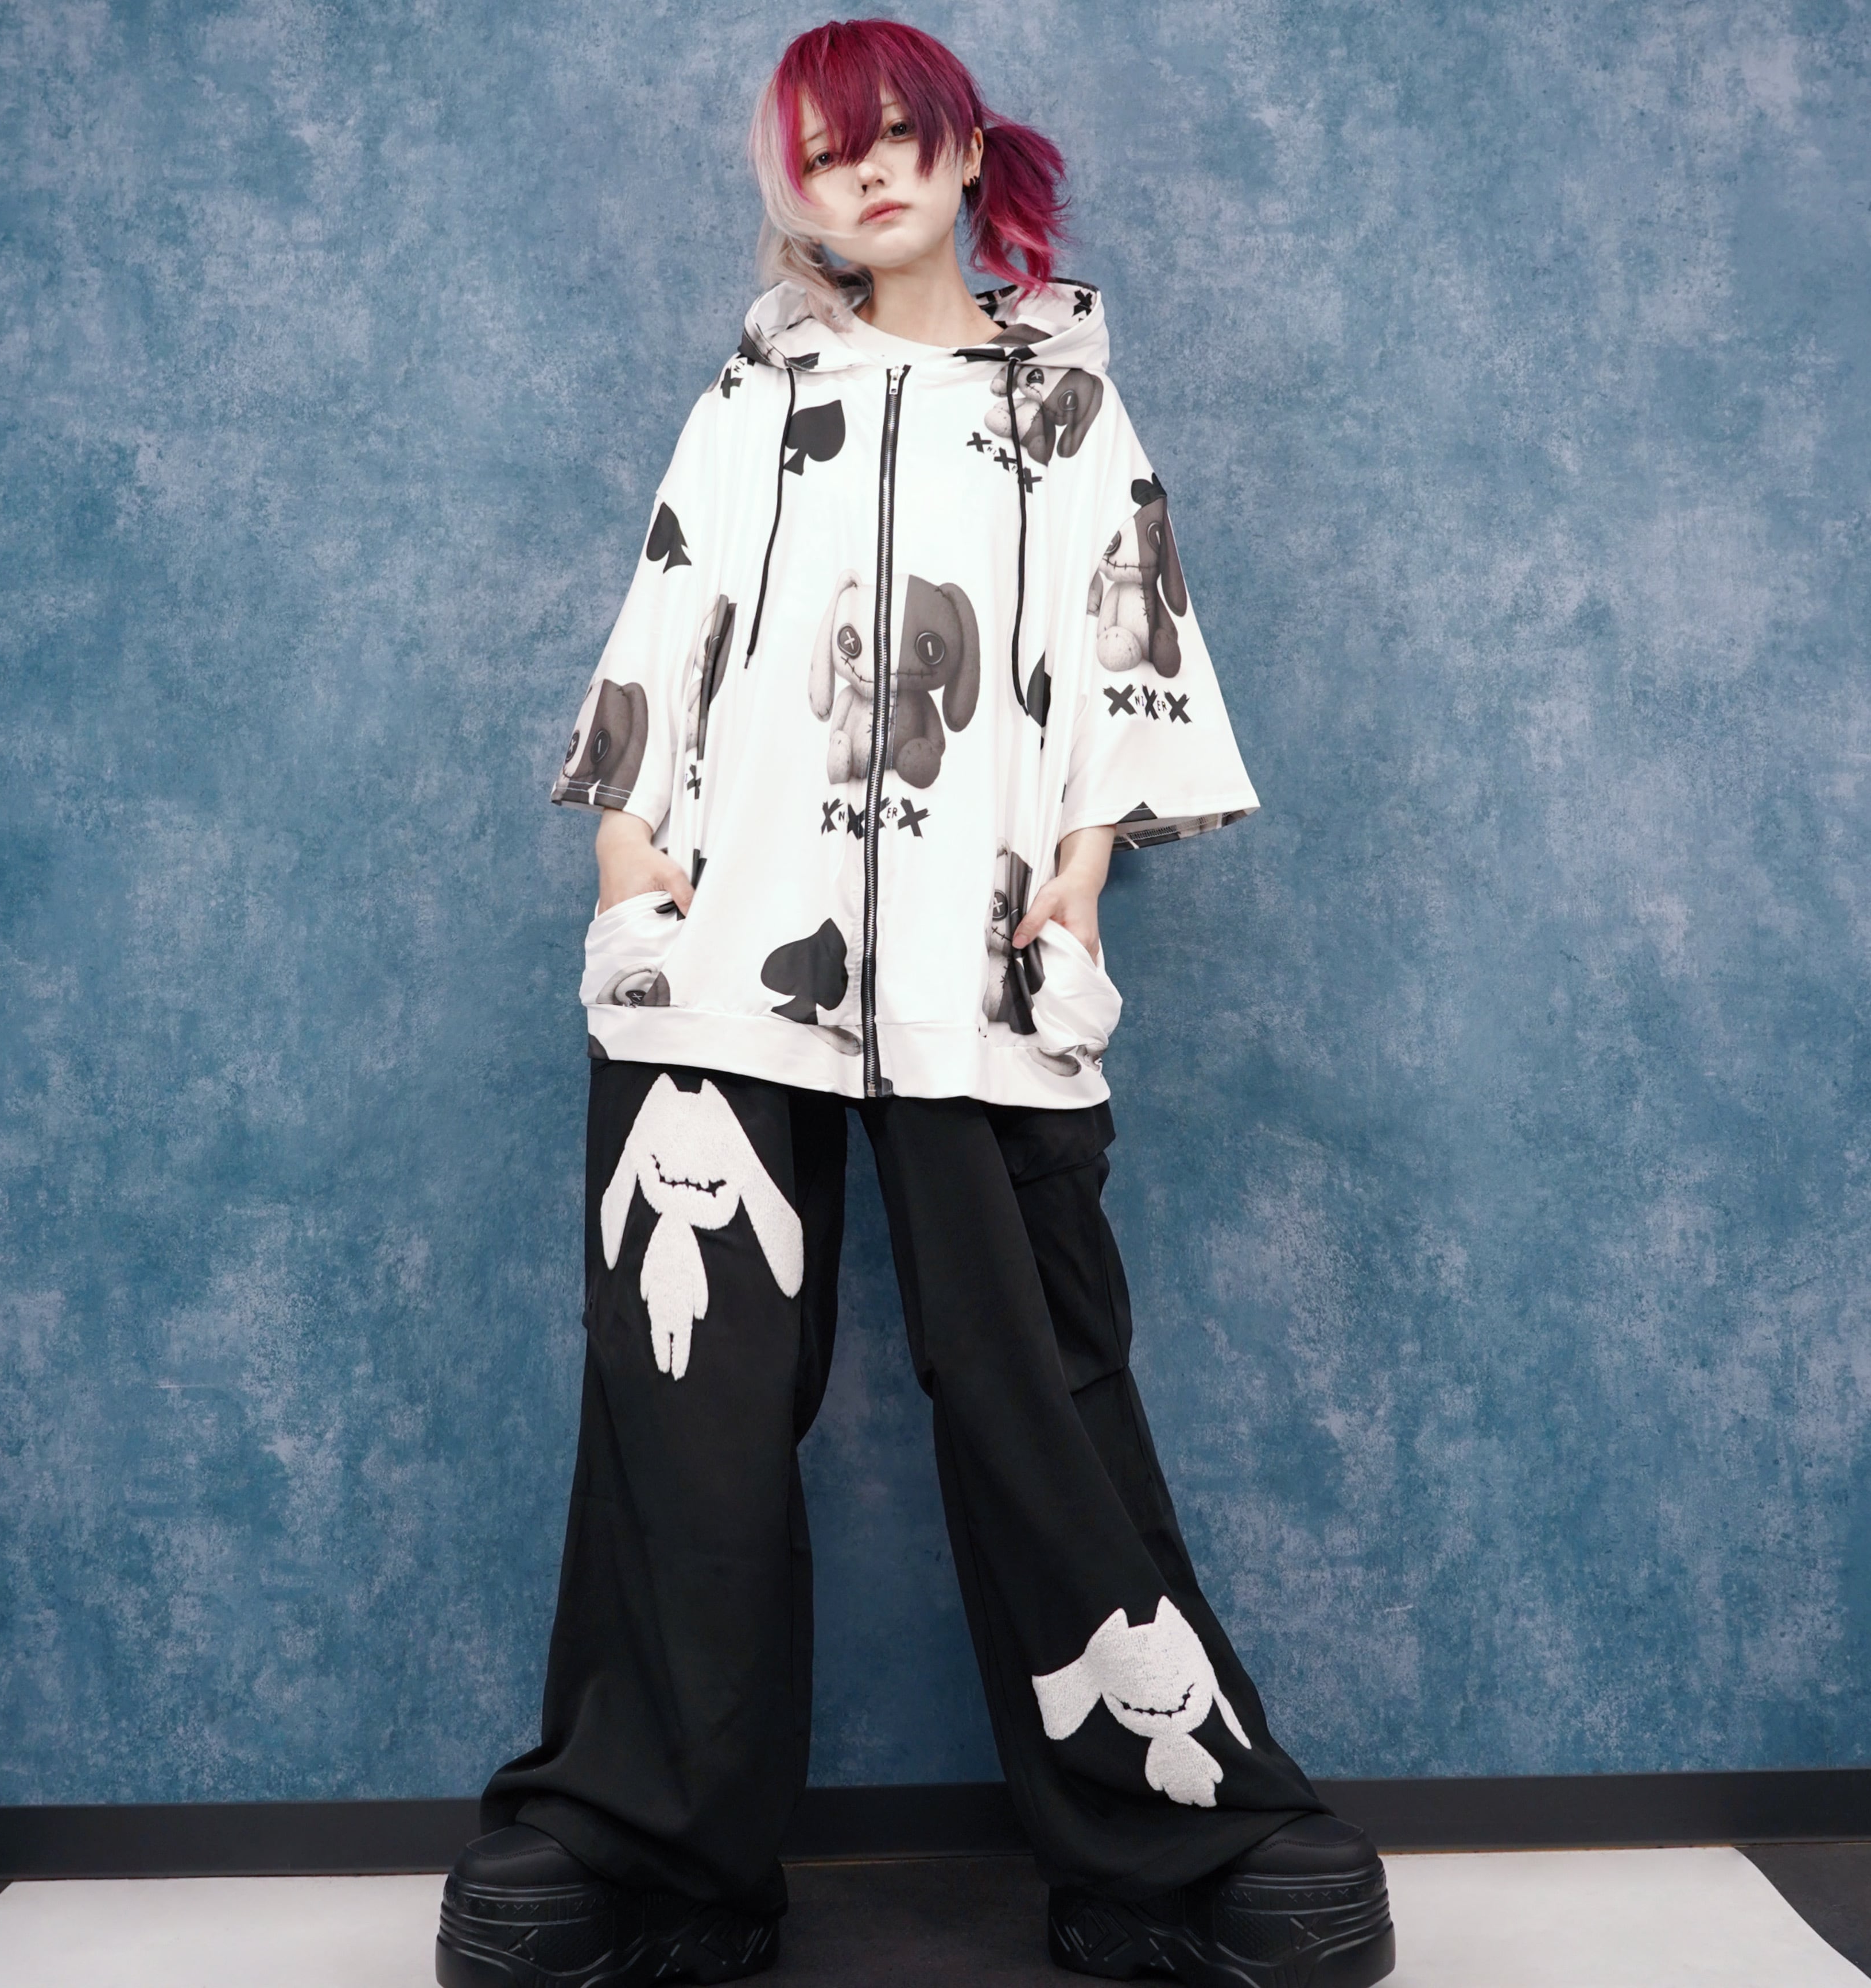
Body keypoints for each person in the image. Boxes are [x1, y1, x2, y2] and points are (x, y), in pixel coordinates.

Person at [435, 20, 1395, 1988]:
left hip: (982, 960)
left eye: (895, 138)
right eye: (823, 154)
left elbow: (1127, 647)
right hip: (722, 953)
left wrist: (1082, 877)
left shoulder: (1070, 409)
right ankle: (648, 1855)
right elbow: (672, 618)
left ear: (965, 155)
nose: (864, 174)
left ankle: (1168, 1845)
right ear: (792, 191)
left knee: (1041, 1385)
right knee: (682, 1411)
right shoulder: (754, 395)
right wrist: (627, 863)